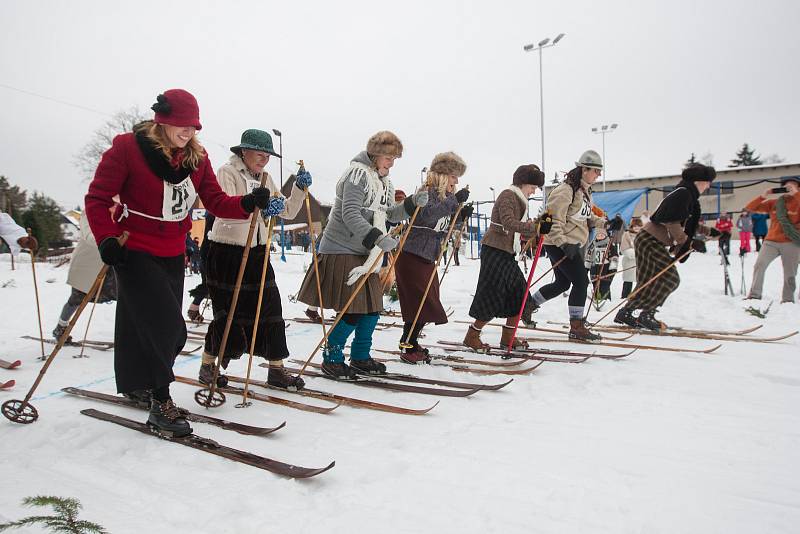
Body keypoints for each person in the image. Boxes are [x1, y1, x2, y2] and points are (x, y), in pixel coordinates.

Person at [85, 89, 270, 437]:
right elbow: (97, 197)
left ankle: (137, 382)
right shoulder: (128, 148)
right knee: (167, 327)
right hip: (134, 248)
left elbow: (215, 201)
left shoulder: (197, 159)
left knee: (142, 321)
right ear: (162, 121)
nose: (187, 132)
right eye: (180, 124)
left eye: (193, 126)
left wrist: (246, 202)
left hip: (172, 250)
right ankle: (161, 401)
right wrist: (106, 237)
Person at [296, 131, 427, 378]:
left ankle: (360, 356)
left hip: (365, 252)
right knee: (353, 309)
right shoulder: (357, 175)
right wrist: (378, 238)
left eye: (394, 158)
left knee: (372, 308)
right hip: (341, 248)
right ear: (376, 154)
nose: (391, 163)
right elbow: (350, 214)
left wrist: (411, 204)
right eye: (388, 157)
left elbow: (389, 214)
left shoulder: (382, 181)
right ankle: (332, 357)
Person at [199, 129, 310, 390]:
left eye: (267, 156)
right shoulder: (228, 172)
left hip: (257, 251)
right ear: (243, 152)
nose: (264, 160)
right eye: (259, 154)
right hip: (227, 250)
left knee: (270, 308)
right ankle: (207, 365)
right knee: (228, 314)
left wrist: (299, 188)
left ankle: (276, 369)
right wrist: (255, 205)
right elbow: (224, 208)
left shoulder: (266, 178)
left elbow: (288, 210)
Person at [614, 163, 719, 330]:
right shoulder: (683, 194)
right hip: (649, 240)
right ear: (699, 181)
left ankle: (626, 312)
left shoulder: (689, 197)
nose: (709, 186)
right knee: (670, 279)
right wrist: (689, 242)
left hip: (651, 240)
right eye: (707, 182)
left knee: (650, 280)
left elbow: (687, 222)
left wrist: (710, 231)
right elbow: (672, 222)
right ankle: (646, 314)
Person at [463, 164, 551, 351]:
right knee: (491, 295)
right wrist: (535, 227)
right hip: (494, 250)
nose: (534, 190)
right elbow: (508, 222)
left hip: (507, 253)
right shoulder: (508, 196)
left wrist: (537, 229)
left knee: (519, 293)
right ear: (523, 183)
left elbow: (517, 232)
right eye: (532, 186)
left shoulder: (521, 201)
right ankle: (472, 335)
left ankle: (508, 337)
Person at [395, 152, 470, 363]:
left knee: (427, 304)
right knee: (421, 303)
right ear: (444, 176)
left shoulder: (445, 199)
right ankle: (407, 345)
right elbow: (427, 216)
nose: (456, 182)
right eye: (454, 177)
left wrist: (460, 216)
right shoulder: (426, 192)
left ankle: (411, 342)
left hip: (427, 257)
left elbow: (441, 226)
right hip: (412, 255)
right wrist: (454, 202)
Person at [529, 151, 607, 341]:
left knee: (562, 283)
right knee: (581, 281)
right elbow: (553, 219)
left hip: (572, 243)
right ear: (584, 169)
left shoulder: (583, 191)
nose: (598, 175)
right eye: (595, 171)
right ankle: (576, 326)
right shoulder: (565, 190)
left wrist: (601, 221)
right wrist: (563, 244)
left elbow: (583, 217)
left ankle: (527, 307)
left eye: (599, 171)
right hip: (559, 244)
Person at [52, 211, 117, 343]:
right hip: (87, 264)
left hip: (110, 264)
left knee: (124, 297)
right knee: (77, 299)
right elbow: (89, 235)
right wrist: (109, 241)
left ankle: (127, 333)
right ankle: (61, 328)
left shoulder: (120, 214)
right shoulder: (89, 213)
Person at [744, 177, 800, 303]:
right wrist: (763, 196)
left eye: (792, 186)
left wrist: (796, 193)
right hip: (771, 241)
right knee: (760, 265)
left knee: (790, 273)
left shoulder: (798, 201)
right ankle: (754, 295)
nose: (789, 188)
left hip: (791, 242)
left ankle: (788, 299)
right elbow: (749, 208)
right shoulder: (775, 203)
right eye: (786, 186)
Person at [619, 217, 643, 298]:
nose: (637, 228)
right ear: (632, 226)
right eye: (635, 226)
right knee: (628, 280)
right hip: (630, 262)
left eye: (639, 226)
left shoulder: (644, 235)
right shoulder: (627, 235)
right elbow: (624, 248)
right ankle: (625, 296)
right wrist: (636, 253)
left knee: (641, 280)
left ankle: (639, 296)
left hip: (641, 262)